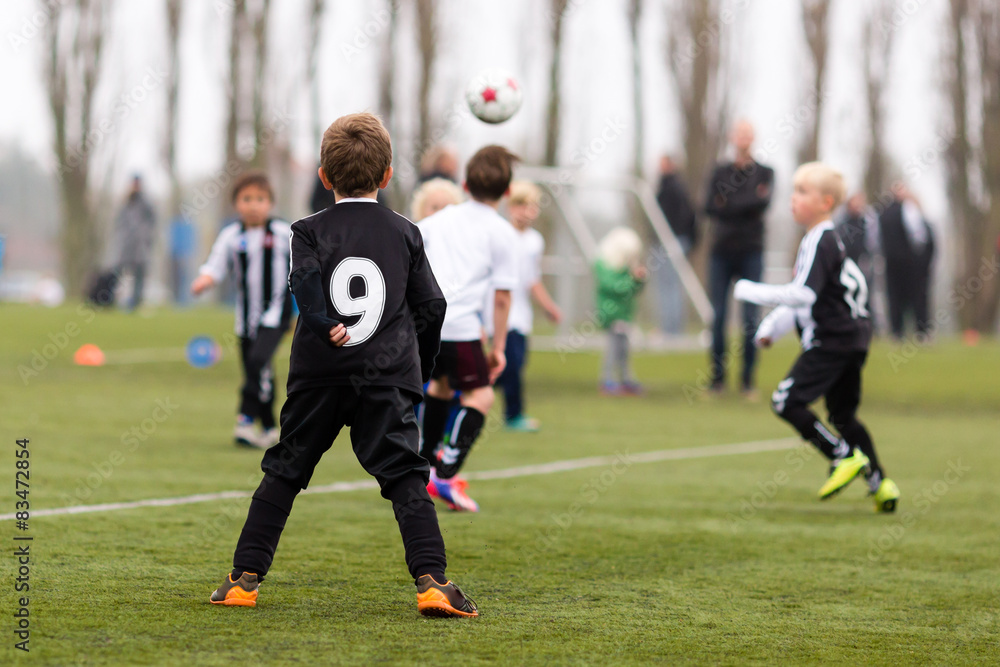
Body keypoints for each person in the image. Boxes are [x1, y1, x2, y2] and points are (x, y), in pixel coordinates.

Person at [209, 112, 477, 618]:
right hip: (386, 374)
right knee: (404, 476)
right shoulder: (405, 232)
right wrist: (416, 367)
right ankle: (433, 584)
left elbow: (305, 284)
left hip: (319, 374)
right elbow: (432, 306)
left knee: (286, 470)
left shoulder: (305, 230)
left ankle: (243, 580)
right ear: (389, 175)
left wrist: (323, 320)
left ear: (324, 176)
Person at [733, 162, 899, 512]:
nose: (793, 199)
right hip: (855, 340)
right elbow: (812, 295)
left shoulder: (818, 239)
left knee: (785, 401)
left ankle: (842, 456)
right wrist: (772, 329)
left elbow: (804, 295)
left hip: (832, 340)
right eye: (793, 190)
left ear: (826, 203)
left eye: (802, 192)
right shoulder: (829, 240)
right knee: (843, 417)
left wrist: (752, 291)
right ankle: (880, 482)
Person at [417, 145, 519, 513]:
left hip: (425, 326)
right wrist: (499, 347)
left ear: (464, 183)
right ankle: (444, 474)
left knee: (442, 388)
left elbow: (409, 253)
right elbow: (503, 299)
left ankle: (424, 466)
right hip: (459, 327)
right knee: (482, 397)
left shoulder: (438, 221)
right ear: (507, 192)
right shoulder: (503, 233)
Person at [191, 172, 293, 449]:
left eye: (260, 199)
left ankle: (245, 420)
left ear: (270, 203)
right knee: (258, 371)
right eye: (246, 199)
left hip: (276, 313)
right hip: (246, 318)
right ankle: (271, 427)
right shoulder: (232, 236)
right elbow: (216, 265)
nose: (253, 205)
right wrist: (205, 279)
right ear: (236, 203)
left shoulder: (284, 234)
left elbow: (304, 265)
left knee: (258, 363)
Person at [704, 121, 774, 397]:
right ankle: (717, 380)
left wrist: (728, 201)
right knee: (718, 316)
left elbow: (762, 204)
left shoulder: (765, 172)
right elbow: (709, 206)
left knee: (750, 318)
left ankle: (747, 382)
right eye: (739, 132)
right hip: (721, 252)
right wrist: (746, 202)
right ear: (732, 137)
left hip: (751, 252)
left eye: (748, 133)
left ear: (753, 138)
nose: (743, 138)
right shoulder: (719, 171)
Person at [491, 181, 562, 431]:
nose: (526, 211)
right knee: (508, 363)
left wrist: (549, 306)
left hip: (521, 314)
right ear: (510, 206)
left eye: (531, 206)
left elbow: (532, 280)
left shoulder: (535, 241)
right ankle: (513, 414)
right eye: (521, 205)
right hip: (498, 312)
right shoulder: (499, 234)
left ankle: (473, 399)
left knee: (516, 363)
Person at [878, 183, 935, 340]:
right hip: (910, 263)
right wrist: (921, 257)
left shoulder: (881, 212)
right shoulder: (909, 209)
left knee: (894, 296)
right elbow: (918, 236)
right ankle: (922, 331)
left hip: (890, 262)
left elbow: (875, 239)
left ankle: (897, 332)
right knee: (917, 296)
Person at [594, 227, 647, 395]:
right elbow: (615, 287)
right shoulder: (604, 265)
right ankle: (607, 379)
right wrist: (632, 280)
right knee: (613, 348)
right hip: (611, 314)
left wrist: (639, 279)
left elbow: (632, 290)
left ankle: (625, 379)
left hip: (625, 314)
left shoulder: (626, 268)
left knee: (624, 348)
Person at [654, 155, 698, 335]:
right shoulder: (677, 186)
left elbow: (685, 216)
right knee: (671, 285)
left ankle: (670, 330)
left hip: (671, 241)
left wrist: (677, 238)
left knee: (669, 285)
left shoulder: (671, 187)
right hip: (676, 240)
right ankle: (672, 328)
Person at [115, 175, 157, 311]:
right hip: (126, 245)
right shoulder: (126, 202)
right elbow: (119, 222)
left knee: (139, 275)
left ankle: (135, 303)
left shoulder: (146, 203)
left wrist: (146, 238)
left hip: (140, 247)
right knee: (119, 273)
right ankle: (112, 299)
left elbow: (153, 222)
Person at [169, 213, 197, 306]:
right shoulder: (176, 225)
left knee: (185, 278)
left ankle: (185, 298)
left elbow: (191, 241)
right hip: (176, 255)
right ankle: (177, 298)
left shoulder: (188, 227)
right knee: (177, 279)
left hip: (185, 255)